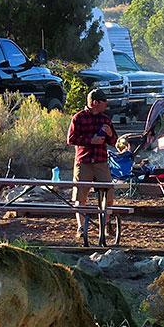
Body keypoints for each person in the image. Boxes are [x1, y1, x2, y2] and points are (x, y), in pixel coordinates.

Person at [66, 89, 118, 244]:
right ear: (95, 102)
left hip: (101, 161)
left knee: (108, 195)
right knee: (80, 197)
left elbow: (114, 142)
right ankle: (82, 228)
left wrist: (109, 135)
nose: (106, 105)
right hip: (84, 162)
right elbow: (71, 139)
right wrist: (90, 140)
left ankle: (105, 225)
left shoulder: (105, 119)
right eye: (104, 102)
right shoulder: (78, 118)